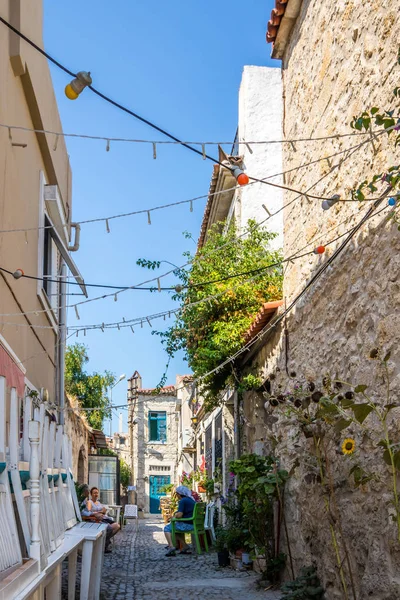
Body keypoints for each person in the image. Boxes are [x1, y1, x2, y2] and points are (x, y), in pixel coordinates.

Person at [81, 486, 120, 553]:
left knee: (117, 526)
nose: (96, 494)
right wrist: (100, 512)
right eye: (94, 493)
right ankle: (104, 545)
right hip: (96, 520)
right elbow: (90, 512)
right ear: (91, 494)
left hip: (104, 518)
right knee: (110, 528)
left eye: (97, 493)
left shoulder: (98, 502)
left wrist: (102, 512)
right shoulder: (89, 502)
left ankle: (105, 541)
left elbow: (104, 510)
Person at [164, 486, 196, 557]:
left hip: (187, 525)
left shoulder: (183, 501)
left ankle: (171, 546)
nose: (176, 496)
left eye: (176, 494)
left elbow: (179, 515)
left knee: (167, 528)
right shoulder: (191, 500)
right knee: (175, 530)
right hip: (193, 524)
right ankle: (185, 546)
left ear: (179, 494)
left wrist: (174, 516)